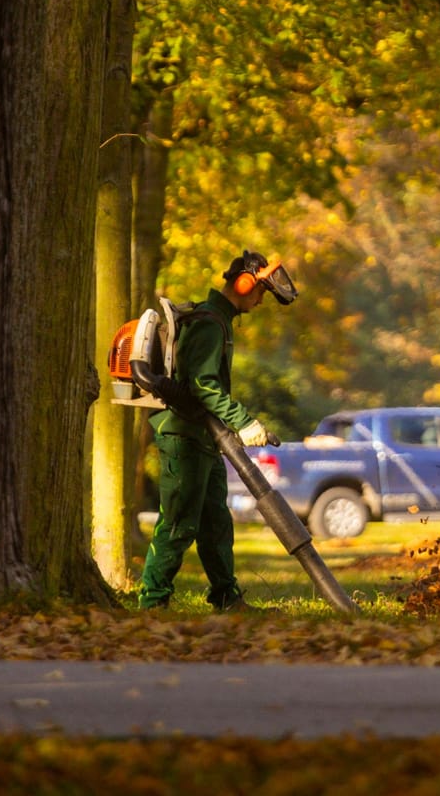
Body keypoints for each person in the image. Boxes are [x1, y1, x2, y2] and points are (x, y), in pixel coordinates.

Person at [139, 250, 295, 611]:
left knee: (215, 523)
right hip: (184, 437)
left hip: (203, 437)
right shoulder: (210, 324)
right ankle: (152, 603)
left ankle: (227, 597)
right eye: (261, 293)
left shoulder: (217, 321)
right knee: (178, 525)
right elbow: (203, 385)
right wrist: (244, 422)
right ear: (244, 284)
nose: (260, 302)